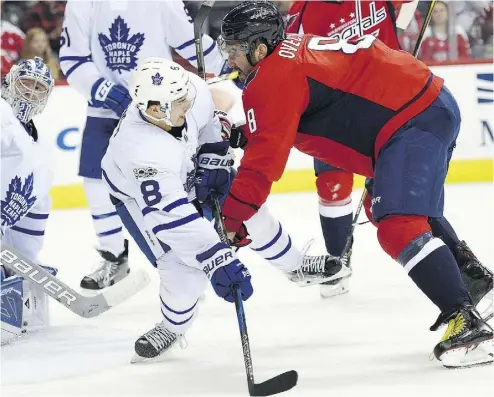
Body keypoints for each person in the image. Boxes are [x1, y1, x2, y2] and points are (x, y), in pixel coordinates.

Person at [218, 1, 493, 368]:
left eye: (235, 50)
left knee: (398, 226)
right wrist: (245, 132)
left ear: (259, 48)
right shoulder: (288, 54)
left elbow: (261, 168)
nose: (229, 60)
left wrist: (230, 220)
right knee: (383, 207)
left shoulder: (273, 76)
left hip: (411, 121)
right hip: (420, 107)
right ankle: (468, 277)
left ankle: (466, 321)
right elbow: (282, 120)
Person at [101, 57, 343, 361]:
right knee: (182, 270)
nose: (187, 102)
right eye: (178, 102)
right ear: (153, 110)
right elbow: (173, 218)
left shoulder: (187, 92)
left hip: (183, 169)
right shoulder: (141, 152)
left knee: (246, 212)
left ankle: (295, 265)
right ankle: (173, 326)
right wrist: (216, 259)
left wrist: (213, 155)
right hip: (140, 200)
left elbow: (208, 123)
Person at [59, 0, 228, 290]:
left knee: (174, 181)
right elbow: (72, 57)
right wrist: (106, 91)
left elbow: (190, 41)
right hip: (104, 109)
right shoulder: (83, 2)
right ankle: (114, 257)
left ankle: (189, 252)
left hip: (158, 107)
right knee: (95, 184)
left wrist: (229, 63)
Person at [282, 0, 419, 297]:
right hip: (336, 106)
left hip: (391, 98)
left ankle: (453, 263)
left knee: (398, 198)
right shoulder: (302, 9)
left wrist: (398, 28)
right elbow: (289, 55)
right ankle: (337, 261)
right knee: (332, 185)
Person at [1, 57, 56, 344]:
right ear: (11, 81)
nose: (31, 92)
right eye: (25, 83)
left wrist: (25, 262)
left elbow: (36, 205)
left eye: (39, 87)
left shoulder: (42, 144)